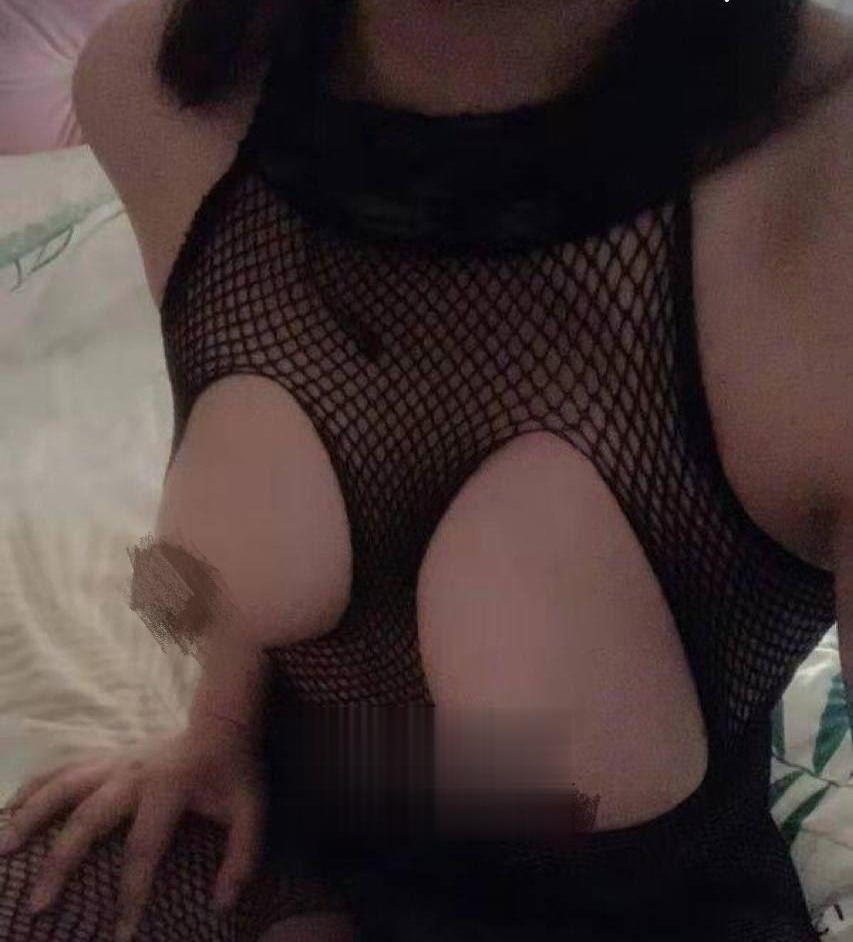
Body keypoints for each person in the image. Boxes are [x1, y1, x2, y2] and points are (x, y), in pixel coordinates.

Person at [1, 0, 852, 939]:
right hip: (292, 830)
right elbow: (213, 531)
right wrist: (218, 729)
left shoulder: (824, 188)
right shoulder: (152, 88)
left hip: (631, 915)